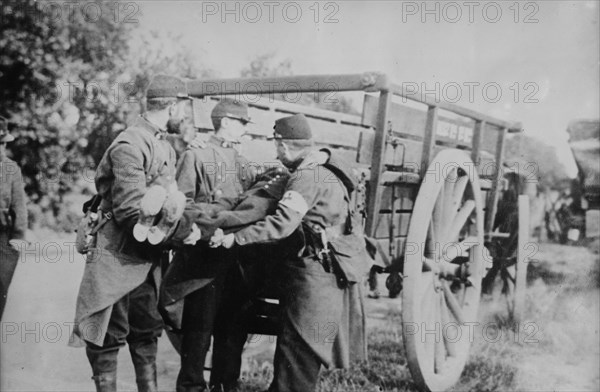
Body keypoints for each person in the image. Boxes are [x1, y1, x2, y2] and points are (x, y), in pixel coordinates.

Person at [210, 114, 372, 392]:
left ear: (283, 145)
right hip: (330, 271)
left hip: (311, 278)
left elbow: (281, 224)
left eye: (277, 146)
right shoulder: (329, 168)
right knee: (298, 362)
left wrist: (235, 238)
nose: (277, 153)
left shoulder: (305, 177)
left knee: (296, 359)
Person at [70, 75, 199, 392]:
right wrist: (183, 233)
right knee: (105, 339)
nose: (184, 116)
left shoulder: (162, 145)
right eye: (183, 108)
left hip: (144, 259)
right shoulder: (129, 144)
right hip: (115, 257)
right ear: (171, 106)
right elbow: (130, 211)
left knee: (146, 334)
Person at [160, 98, 256, 392]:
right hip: (203, 261)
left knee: (233, 332)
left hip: (236, 258)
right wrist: (209, 224)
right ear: (226, 122)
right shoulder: (195, 156)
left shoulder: (242, 162)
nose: (244, 130)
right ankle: (190, 387)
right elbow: (183, 204)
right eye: (241, 123)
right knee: (198, 333)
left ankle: (225, 387)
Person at [0, 116, 27, 320]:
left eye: (2, 143)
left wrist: (18, 235)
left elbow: (19, 204)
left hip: (3, 238)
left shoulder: (10, 168)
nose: (1, 148)